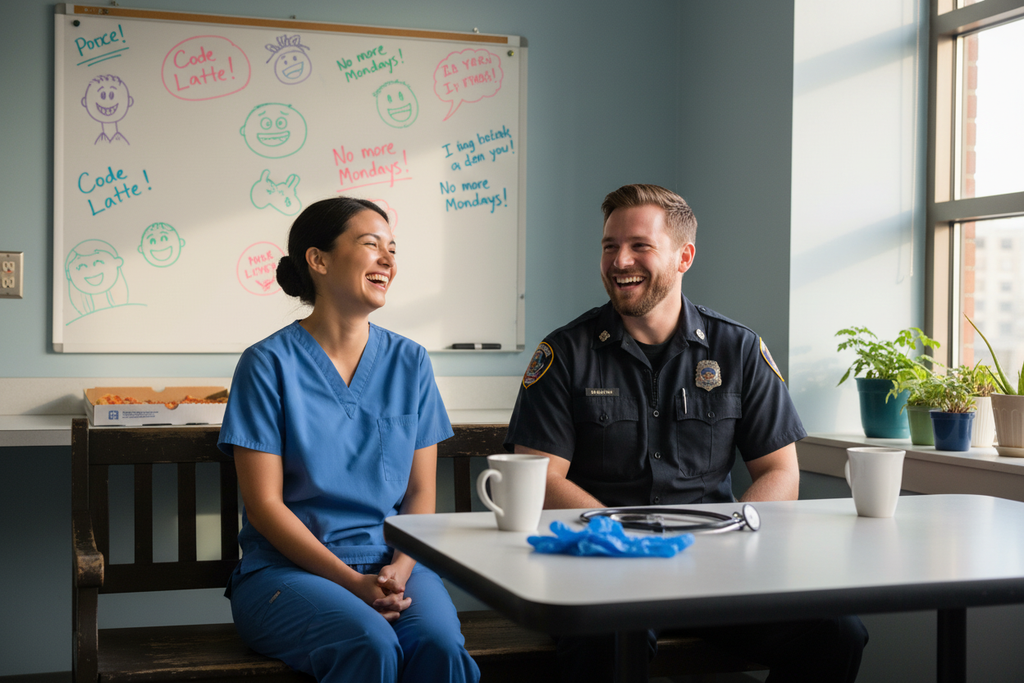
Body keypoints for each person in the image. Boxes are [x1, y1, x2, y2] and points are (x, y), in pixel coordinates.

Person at [504, 184, 867, 682]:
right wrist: (624, 543)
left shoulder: (737, 349)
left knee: (836, 631)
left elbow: (780, 471)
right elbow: (540, 479)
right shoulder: (566, 353)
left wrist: (734, 537)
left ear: (684, 256)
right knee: (609, 641)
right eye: (609, 246)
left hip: (713, 568)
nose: (618, 260)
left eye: (639, 246)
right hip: (601, 566)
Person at [218, 197, 480, 683]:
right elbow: (265, 507)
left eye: (393, 249)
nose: (388, 259)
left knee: (440, 648)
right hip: (287, 573)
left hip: (394, 566)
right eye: (370, 245)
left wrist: (399, 571)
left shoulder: (411, 362)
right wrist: (354, 583)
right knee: (369, 643)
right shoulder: (266, 365)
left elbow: (421, 494)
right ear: (317, 260)